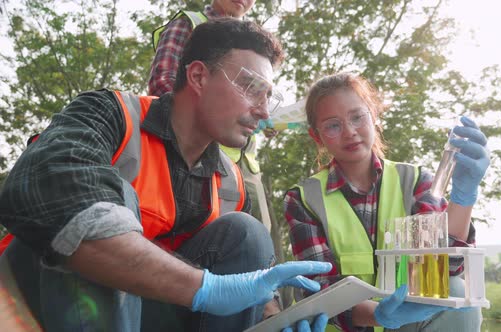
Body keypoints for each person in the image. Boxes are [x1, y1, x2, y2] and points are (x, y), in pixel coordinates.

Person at [0, 18, 331, 332]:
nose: (262, 110)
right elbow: (43, 190)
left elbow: (246, 290)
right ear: (199, 77)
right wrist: (207, 288)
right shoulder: (110, 114)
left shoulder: (231, 185)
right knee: (103, 200)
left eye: (268, 97)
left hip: (147, 311)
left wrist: (273, 319)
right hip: (29, 308)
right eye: (251, 87)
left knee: (248, 234)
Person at [284, 72, 489, 331]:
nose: (350, 132)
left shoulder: (414, 182)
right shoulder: (303, 199)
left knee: (458, 289)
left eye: (357, 117)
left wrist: (463, 197)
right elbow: (316, 290)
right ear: (317, 137)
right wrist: (379, 314)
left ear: (374, 116)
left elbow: (445, 267)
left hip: (408, 326)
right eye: (333, 125)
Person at [150, 0, 275, 228]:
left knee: (255, 237)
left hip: (244, 166)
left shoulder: (258, 46)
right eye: (245, 84)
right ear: (197, 75)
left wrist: (263, 121)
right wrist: (199, 126)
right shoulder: (189, 23)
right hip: (190, 155)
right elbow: (162, 84)